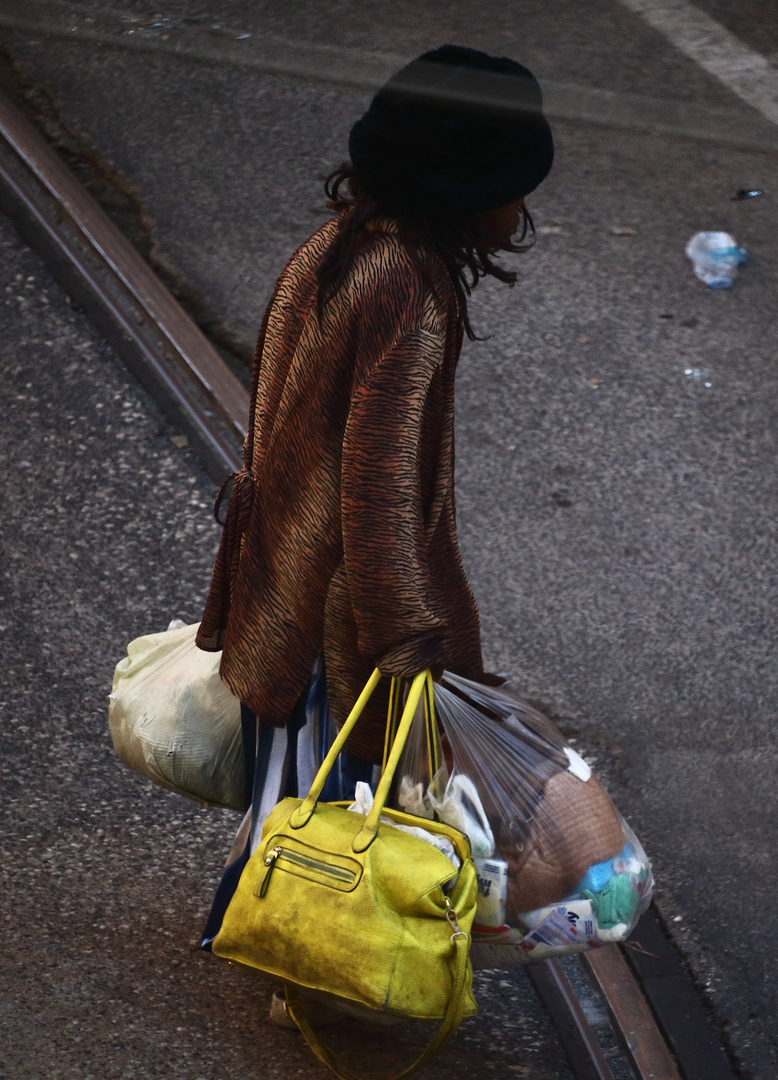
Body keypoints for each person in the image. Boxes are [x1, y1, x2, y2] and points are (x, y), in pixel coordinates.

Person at [192, 44, 554, 1019]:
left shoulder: (337, 245)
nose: (522, 212)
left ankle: (256, 915)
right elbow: (381, 486)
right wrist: (414, 642)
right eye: (514, 189)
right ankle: (302, 973)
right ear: (466, 188)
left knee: (296, 783)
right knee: (342, 794)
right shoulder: (413, 291)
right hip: (343, 617)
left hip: (282, 583)